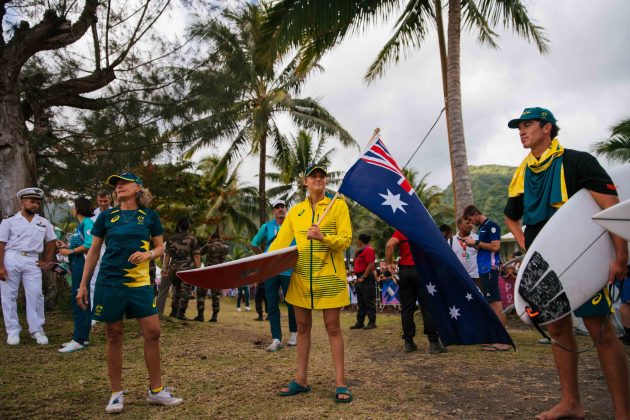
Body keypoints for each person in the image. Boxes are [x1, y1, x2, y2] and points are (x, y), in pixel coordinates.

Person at [503, 107, 629, 419]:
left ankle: (622, 411)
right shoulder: (523, 173)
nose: (521, 131)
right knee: (558, 326)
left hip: (581, 255)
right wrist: (524, 244)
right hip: (546, 260)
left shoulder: (576, 161)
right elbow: (511, 214)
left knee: (599, 329)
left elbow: (610, 206)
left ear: (547, 128)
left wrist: (620, 256)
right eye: (519, 126)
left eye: (528, 125)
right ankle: (571, 403)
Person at [76, 172, 182, 413]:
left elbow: (160, 246)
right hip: (110, 282)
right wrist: (83, 284)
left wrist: (148, 255)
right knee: (114, 334)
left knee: (153, 332)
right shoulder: (106, 216)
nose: (119, 187)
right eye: (116, 184)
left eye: (124, 183)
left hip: (140, 284)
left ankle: (156, 391)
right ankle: (116, 394)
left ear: (138, 188)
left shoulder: (149, 216)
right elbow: (93, 252)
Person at [269, 164, 353, 403]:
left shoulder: (338, 206)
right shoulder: (295, 212)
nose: (318, 179)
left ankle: (340, 383)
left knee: (333, 328)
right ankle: (301, 379)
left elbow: (346, 240)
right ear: (305, 181)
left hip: (330, 279)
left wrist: (323, 237)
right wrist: (258, 266)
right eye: (313, 176)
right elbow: (279, 245)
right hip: (301, 279)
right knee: (302, 328)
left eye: (321, 176)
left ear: (326, 181)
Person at [0, 188, 56, 346]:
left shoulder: (43, 222)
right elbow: (1, 243)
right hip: (12, 257)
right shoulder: (9, 221)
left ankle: (37, 329)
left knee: (36, 294)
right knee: (8, 295)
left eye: (37, 202)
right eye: (32, 202)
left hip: (32, 259)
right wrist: (0, 266)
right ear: (22, 202)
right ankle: (12, 331)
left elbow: (51, 241)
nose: (35, 205)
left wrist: (46, 260)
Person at [385, 230, 445, 354]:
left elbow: (390, 245)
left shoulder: (402, 229)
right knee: (427, 307)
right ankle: (433, 343)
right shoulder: (423, 227)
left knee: (407, 308)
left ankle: (408, 342)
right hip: (422, 270)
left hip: (405, 271)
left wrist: (389, 264)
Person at [250, 199, 298, 351]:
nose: (280, 210)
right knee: (271, 304)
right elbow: (254, 244)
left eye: (282, 207)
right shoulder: (267, 226)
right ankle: (276, 338)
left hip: (288, 270)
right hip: (270, 270)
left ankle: (294, 333)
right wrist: (263, 258)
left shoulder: (293, 225)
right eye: (277, 207)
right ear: (273, 211)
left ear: (286, 209)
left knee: (291, 303)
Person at [462, 205, 509, 351]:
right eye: (468, 222)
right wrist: (472, 244)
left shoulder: (492, 226)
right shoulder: (482, 229)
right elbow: (483, 247)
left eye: (471, 220)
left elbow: (495, 247)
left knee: (496, 304)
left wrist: (475, 242)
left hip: (490, 269)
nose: (470, 223)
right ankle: (494, 337)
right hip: (483, 269)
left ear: (476, 214)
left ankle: (504, 340)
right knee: (490, 304)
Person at [57, 197, 94, 353]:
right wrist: (66, 246)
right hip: (76, 262)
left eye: (74, 206)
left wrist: (70, 251)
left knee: (78, 297)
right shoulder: (80, 225)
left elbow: (89, 244)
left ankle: (78, 339)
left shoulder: (87, 223)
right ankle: (83, 338)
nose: (72, 209)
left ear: (78, 208)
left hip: (81, 263)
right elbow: (80, 243)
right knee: (83, 298)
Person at [159, 218, 201, 320]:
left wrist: (165, 268)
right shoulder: (192, 239)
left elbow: (167, 255)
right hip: (187, 269)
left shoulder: (171, 239)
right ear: (188, 227)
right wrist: (198, 269)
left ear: (178, 226)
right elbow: (196, 256)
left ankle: (174, 311)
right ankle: (181, 313)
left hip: (173, 269)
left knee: (176, 290)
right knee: (185, 291)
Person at [90, 190, 112, 325]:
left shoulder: (117, 212)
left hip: (110, 248)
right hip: (94, 248)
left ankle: (109, 311)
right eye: (100, 201)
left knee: (109, 281)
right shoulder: (92, 214)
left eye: (106, 201)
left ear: (110, 199)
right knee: (93, 282)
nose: (103, 204)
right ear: (97, 200)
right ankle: (94, 312)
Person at [198, 233, 229, 322]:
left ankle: (200, 316)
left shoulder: (209, 245)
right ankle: (214, 316)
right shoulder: (226, 247)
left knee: (201, 292)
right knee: (216, 295)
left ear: (212, 238)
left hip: (208, 271)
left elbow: (200, 252)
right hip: (218, 272)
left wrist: (207, 243)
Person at [350, 233, 377, 329]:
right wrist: (355, 254)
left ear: (360, 241)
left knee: (369, 300)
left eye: (358, 240)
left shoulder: (369, 250)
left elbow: (371, 264)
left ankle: (372, 322)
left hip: (365, 276)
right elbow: (355, 263)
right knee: (361, 301)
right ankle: (360, 321)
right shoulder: (361, 251)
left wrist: (364, 277)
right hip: (359, 276)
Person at [449, 217, 479, 284]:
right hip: (459, 277)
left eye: (471, 223)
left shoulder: (477, 238)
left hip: (476, 278)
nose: (471, 225)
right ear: (459, 225)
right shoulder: (451, 241)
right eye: (468, 223)